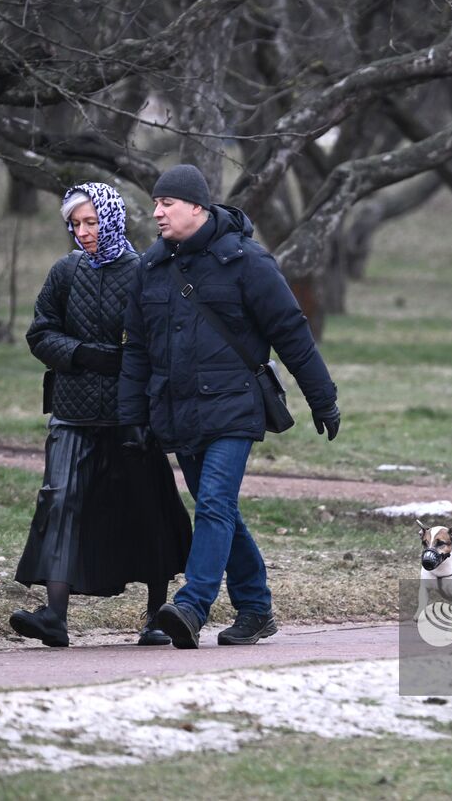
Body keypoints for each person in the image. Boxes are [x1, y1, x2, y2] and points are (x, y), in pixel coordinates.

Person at [120, 164, 340, 649]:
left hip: (234, 409)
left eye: (167, 203)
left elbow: (291, 333)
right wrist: (131, 415)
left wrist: (322, 398)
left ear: (197, 206)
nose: (157, 212)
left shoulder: (247, 262)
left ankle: (192, 605)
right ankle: (256, 608)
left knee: (215, 502)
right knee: (218, 509)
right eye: (155, 203)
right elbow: (137, 348)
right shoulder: (150, 268)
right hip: (178, 411)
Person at [12, 183, 192, 648]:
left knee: (146, 509)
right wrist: (84, 354)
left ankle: (155, 617)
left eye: (91, 222)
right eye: (75, 224)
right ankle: (54, 617)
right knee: (60, 502)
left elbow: (162, 343)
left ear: (111, 218)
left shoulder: (146, 271)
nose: (83, 232)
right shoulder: (64, 271)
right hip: (71, 413)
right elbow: (40, 333)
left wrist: (143, 392)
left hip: (131, 415)